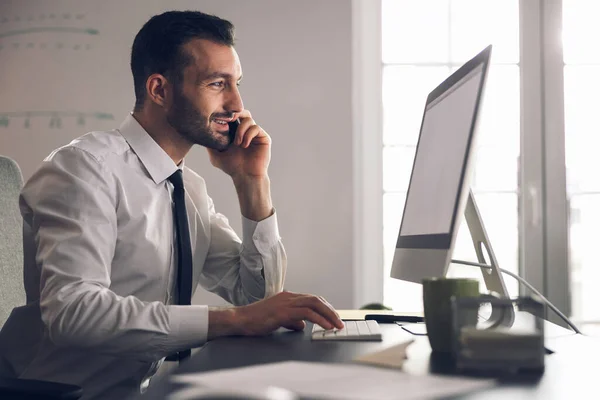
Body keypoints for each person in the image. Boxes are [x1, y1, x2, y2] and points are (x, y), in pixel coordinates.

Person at [0, 10, 343, 399]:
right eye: (218, 84)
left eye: (237, 84)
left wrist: (251, 182)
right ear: (159, 90)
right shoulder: (84, 168)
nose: (237, 103)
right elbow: (74, 313)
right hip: (52, 392)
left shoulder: (187, 188)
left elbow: (256, 299)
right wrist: (230, 321)